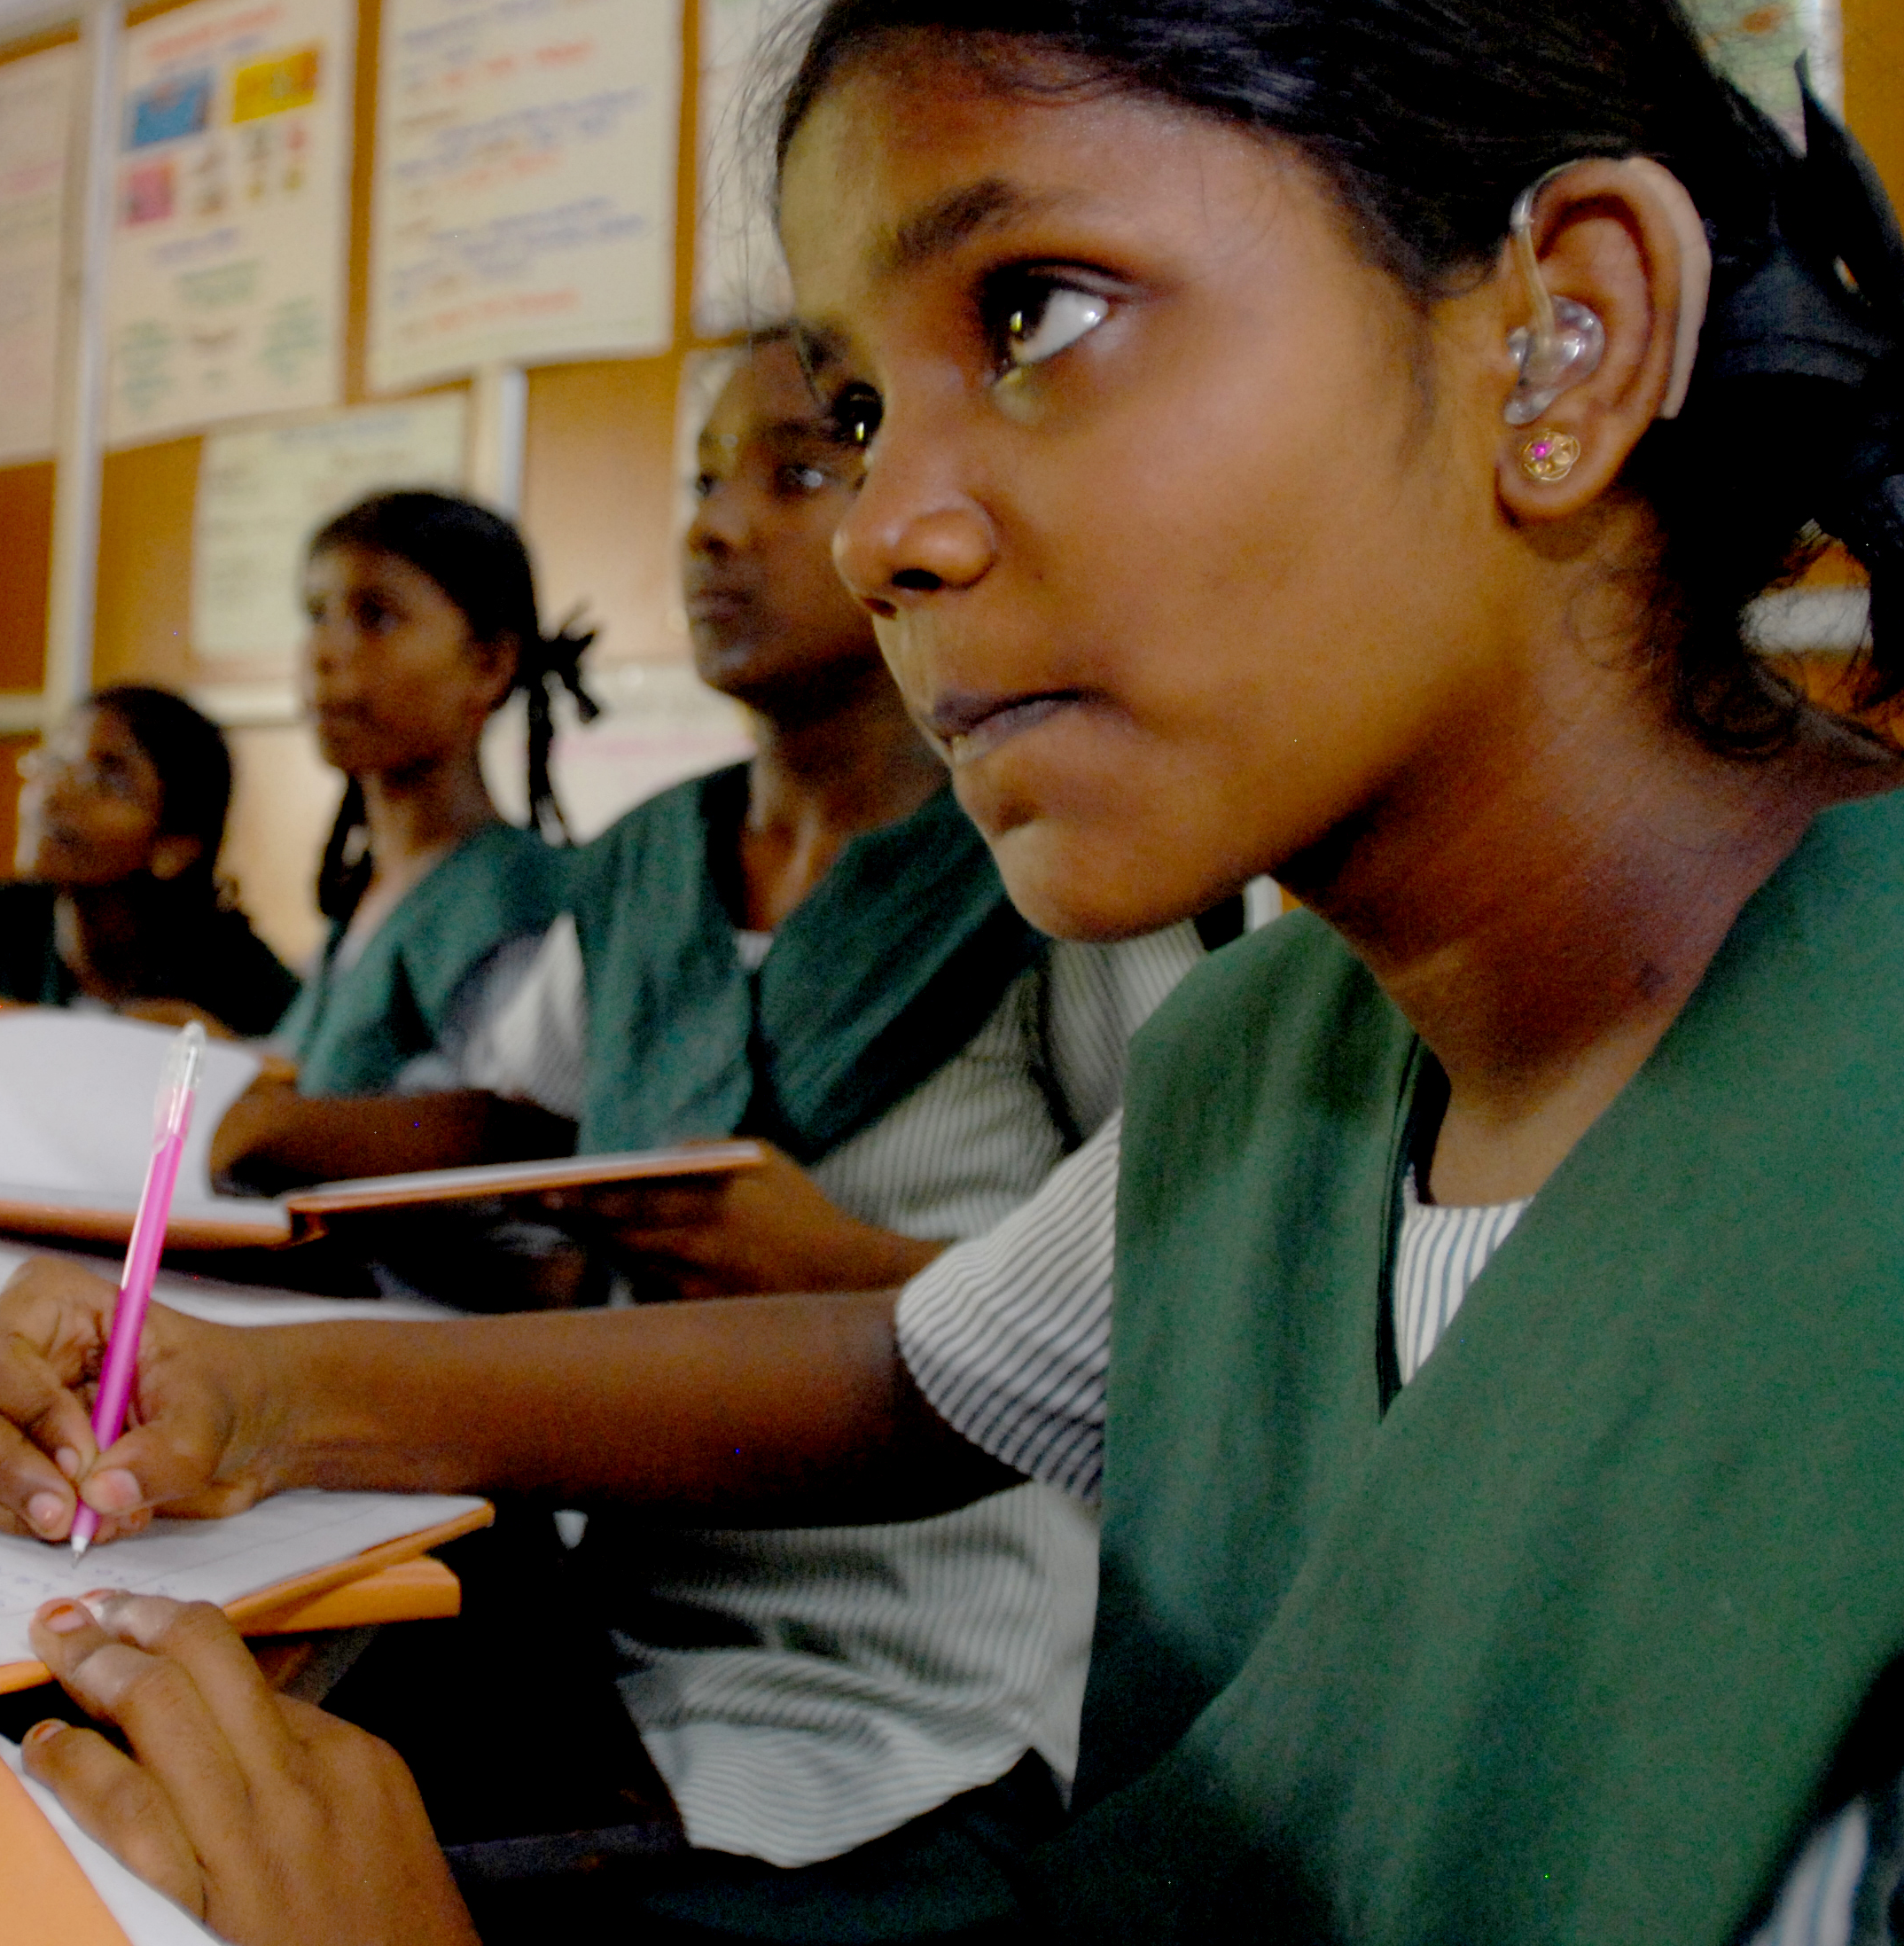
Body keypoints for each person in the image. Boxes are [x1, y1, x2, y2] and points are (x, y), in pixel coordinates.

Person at [0, 0, 1904, 1946]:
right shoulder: (1287, 1054)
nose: (893, 528)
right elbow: (910, 1380)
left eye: (1036, 312)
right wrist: (261, 1393)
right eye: (855, 406)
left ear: (1562, 340)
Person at [149, 332, 1201, 1932]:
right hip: (612, 1620)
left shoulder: (1064, 866)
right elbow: (515, 1134)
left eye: (793, 471)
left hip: (914, 1689)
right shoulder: (639, 875)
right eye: (700, 480)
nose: (716, 526)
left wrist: (841, 1262)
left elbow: (1199, 1316)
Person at [272, 489, 596, 1099]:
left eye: (377, 617)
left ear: (489, 666)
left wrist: (276, 1129)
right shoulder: (366, 895)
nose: (325, 652)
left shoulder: (519, 901)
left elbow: (499, 1132)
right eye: (317, 614)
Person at [0, 684, 297, 1038]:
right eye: (56, 761)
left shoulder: (246, 987)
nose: (54, 793)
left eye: (108, 779)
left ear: (176, 847)